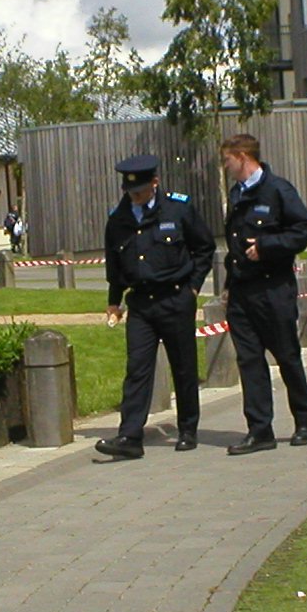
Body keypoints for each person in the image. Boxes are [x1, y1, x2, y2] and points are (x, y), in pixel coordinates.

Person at [96, 154, 216, 460]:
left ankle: (188, 428)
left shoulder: (177, 208)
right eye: (130, 193)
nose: (135, 198)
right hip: (141, 304)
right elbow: (115, 264)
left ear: (155, 183)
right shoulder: (119, 218)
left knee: (183, 366)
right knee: (137, 369)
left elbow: (204, 247)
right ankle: (130, 436)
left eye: (140, 192)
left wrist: (193, 287)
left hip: (176, 298)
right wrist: (113, 301)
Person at [219, 133, 307, 454]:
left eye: (228, 160)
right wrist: (228, 286)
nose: (226, 167)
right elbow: (234, 244)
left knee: (287, 356)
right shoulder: (237, 194)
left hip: (273, 290)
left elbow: (303, 228)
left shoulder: (278, 190)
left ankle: (303, 421)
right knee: (249, 360)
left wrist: (267, 246)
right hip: (243, 292)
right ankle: (260, 430)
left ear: (244, 157)